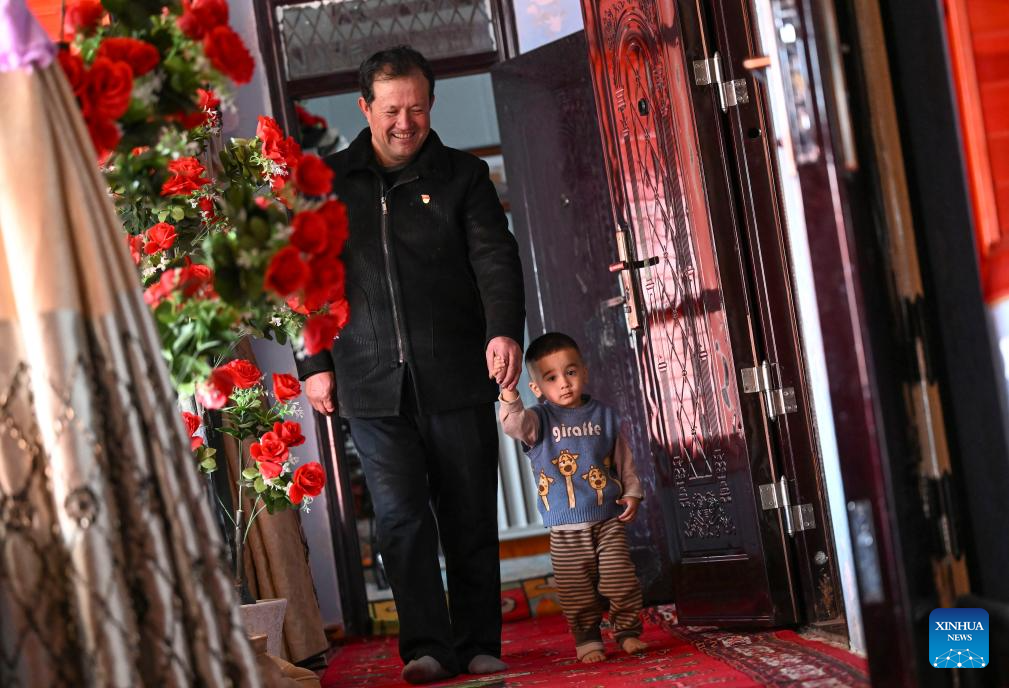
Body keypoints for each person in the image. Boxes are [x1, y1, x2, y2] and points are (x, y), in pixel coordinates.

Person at [297, 45, 525, 685]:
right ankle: (427, 647)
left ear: (431, 105)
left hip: (457, 374)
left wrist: (503, 331)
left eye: (417, 108)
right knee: (400, 520)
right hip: (369, 381)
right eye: (392, 109)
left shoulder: (464, 177)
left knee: (469, 514)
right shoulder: (326, 185)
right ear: (365, 108)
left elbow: (496, 261)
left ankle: (478, 641)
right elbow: (307, 277)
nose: (405, 123)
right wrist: (313, 361)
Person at [495, 332, 648, 663]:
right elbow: (513, 424)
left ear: (584, 372)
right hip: (565, 531)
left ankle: (627, 632)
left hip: (608, 520)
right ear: (537, 388)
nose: (564, 383)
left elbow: (624, 460)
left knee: (621, 580)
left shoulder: (605, 416)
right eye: (551, 378)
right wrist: (508, 391)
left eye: (570, 372)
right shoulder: (538, 421)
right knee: (576, 590)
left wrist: (632, 493)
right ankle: (588, 638)